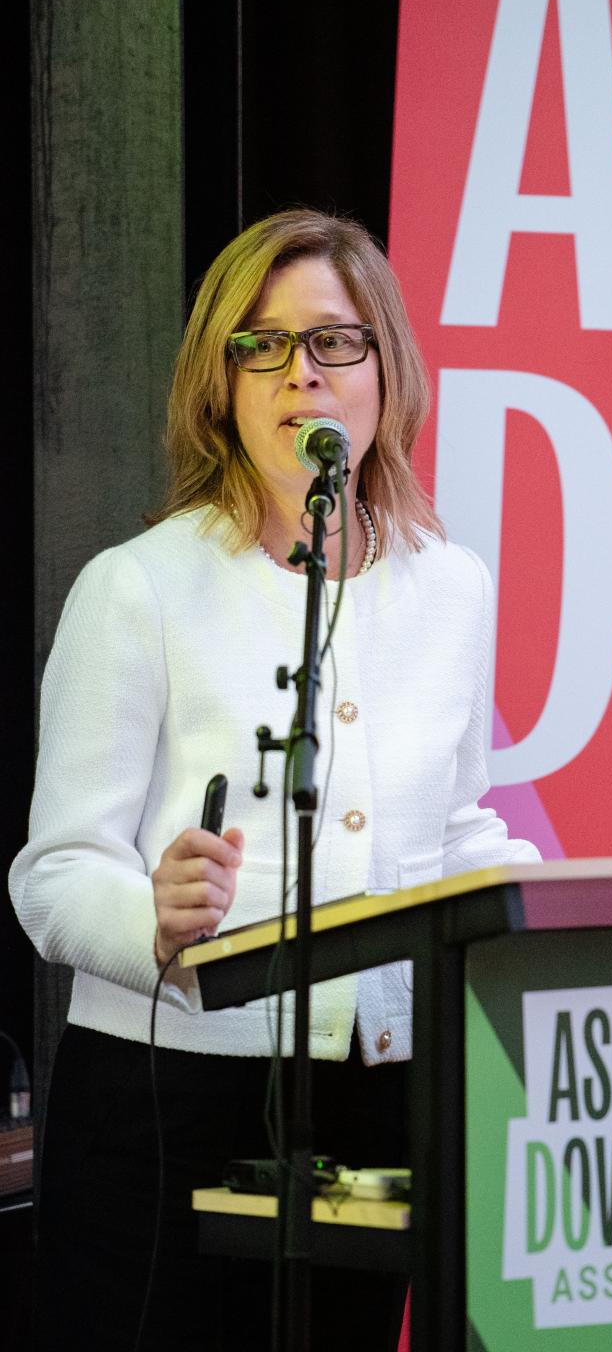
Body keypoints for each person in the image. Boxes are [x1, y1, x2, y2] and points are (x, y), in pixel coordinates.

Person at [10, 209, 540, 1351]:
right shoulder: (138, 588)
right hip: (168, 1100)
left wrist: (540, 905)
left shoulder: (451, 587)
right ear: (223, 383)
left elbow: (451, 827)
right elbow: (54, 874)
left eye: (334, 342)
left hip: (373, 1093)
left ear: (386, 372)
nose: (300, 373)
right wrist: (151, 915)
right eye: (261, 346)